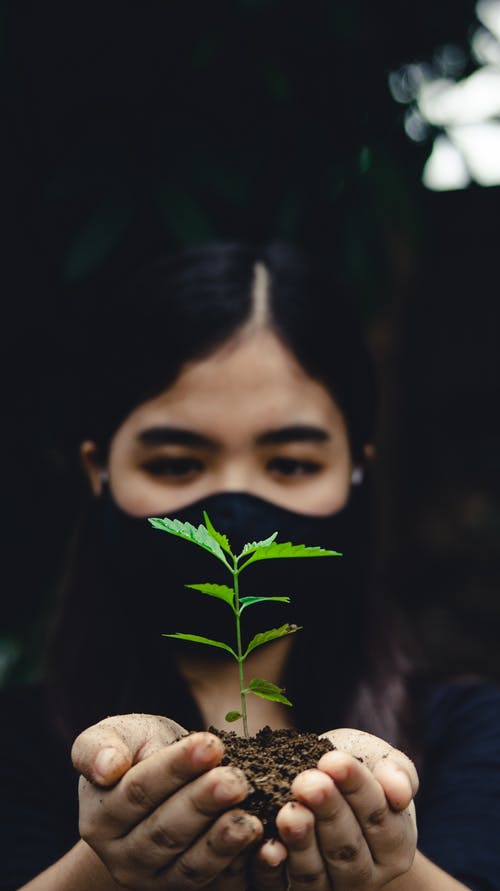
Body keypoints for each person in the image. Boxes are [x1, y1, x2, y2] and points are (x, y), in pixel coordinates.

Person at [2, 242, 500, 891]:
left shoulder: (467, 730)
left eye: (290, 463)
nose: (232, 508)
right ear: (98, 470)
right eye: (176, 463)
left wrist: (389, 869)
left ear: (356, 470)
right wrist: (110, 857)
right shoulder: (17, 745)